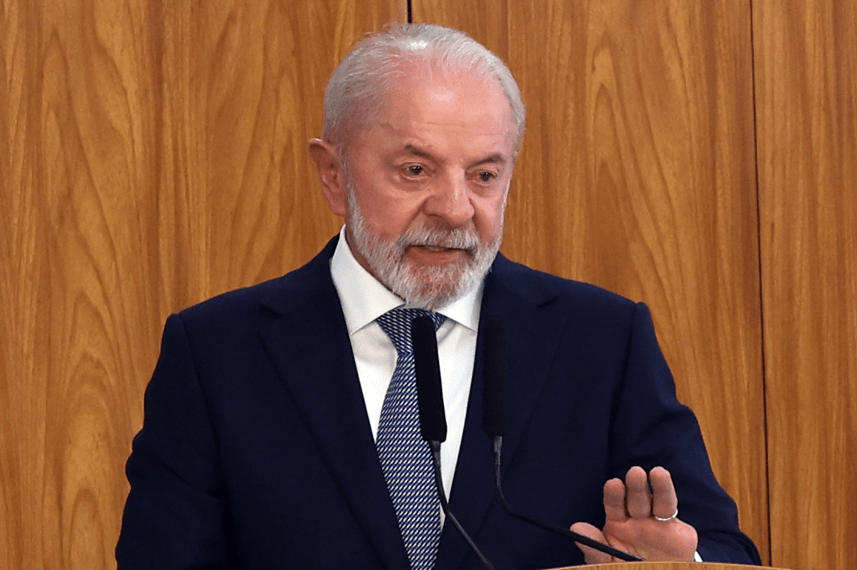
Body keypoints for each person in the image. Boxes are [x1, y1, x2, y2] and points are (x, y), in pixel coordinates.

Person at [116, 23, 761, 569]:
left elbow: (722, 548)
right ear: (333, 174)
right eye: (415, 170)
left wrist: (680, 568)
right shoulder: (217, 352)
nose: (455, 209)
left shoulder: (602, 341)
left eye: (484, 174)